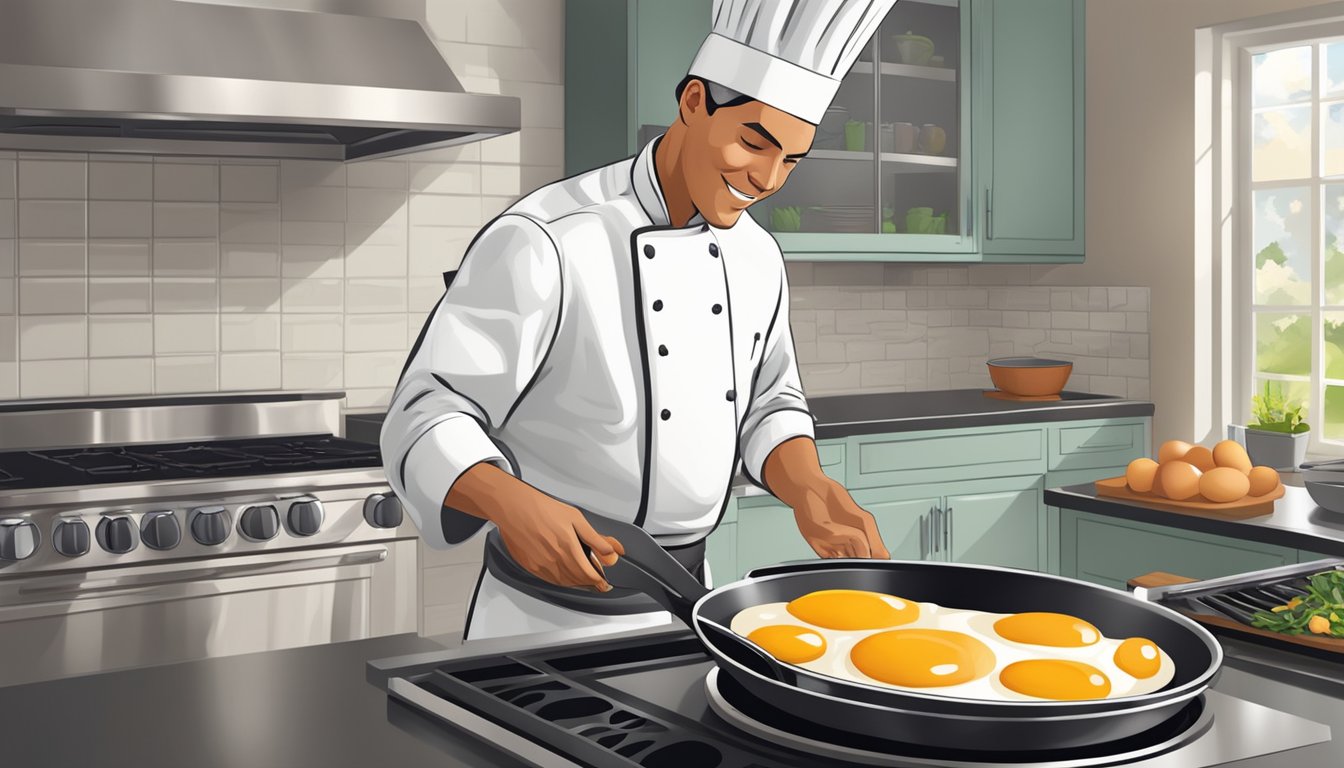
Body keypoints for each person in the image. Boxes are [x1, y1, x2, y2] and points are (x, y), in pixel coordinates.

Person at [382, 0, 900, 642]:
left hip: (688, 613)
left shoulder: (758, 255)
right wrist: (511, 503)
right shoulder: (546, 239)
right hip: (538, 620)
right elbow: (425, 416)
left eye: (791, 161)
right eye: (753, 143)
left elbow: (769, 403)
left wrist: (808, 487)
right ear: (692, 103)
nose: (766, 180)